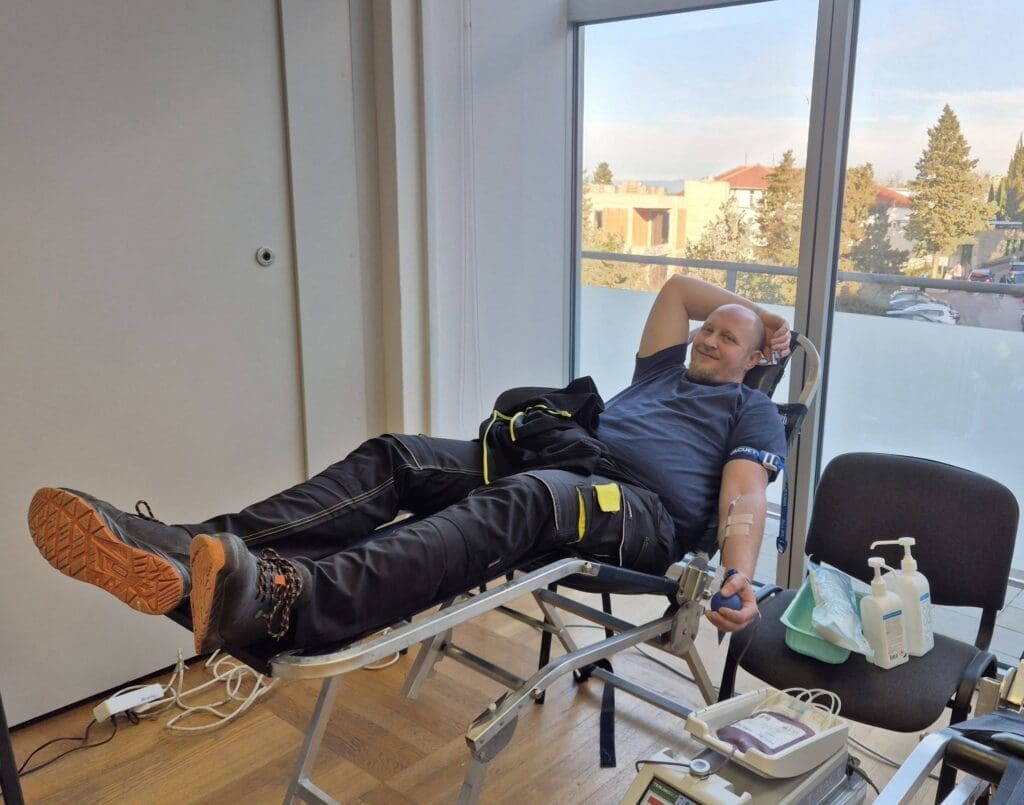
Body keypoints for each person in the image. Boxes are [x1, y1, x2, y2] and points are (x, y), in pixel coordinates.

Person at [27, 276, 790, 654]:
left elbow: (745, 497)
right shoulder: (660, 371)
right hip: (567, 461)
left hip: (638, 512)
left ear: (756, 359)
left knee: (526, 500)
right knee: (399, 456)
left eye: (728, 338)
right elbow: (677, 290)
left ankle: (293, 601)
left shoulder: (748, 409)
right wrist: (752, 311)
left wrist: (737, 572)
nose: (707, 338)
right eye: (709, 330)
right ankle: (188, 553)